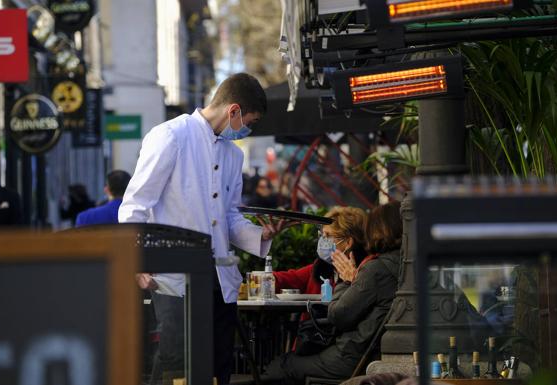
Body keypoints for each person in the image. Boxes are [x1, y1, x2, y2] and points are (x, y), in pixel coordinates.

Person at [118, 73, 289, 385]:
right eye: (249, 121)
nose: (248, 129)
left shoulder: (233, 156)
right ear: (233, 110)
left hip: (219, 276)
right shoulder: (170, 136)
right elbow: (135, 204)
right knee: (176, 359)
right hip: (173, 274)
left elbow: (230, 218)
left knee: (218, 358)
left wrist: (259, 234)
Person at [266, 202, 402, 384]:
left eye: (329, 236)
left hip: (347, 355)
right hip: (336, 347)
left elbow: (339, 315)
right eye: (322, 235)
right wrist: (259, 279)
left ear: (349, 241)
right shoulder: (322, 267)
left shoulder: (370, 269)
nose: (323, 241)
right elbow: (291, 277)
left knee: (281, 365)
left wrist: (345, 281)